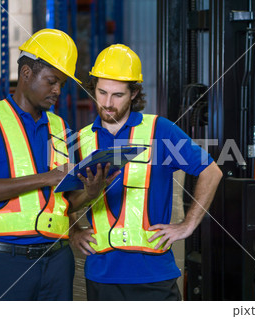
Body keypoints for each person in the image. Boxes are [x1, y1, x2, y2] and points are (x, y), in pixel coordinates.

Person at [0, 29, 117, 301]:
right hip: (4, 261)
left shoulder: (59, 127)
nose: (57, 90)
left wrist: (90, 193)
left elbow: (61, 202)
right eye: (52, 81)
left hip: (57, 262)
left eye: (61, 84)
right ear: (27, 73)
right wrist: (45, 178)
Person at [70, 44, 223, 301]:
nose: (107, 103)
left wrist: (188, 225)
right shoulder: (82, 139)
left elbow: (211, 171)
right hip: (102, 275)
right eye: (101, 92)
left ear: (134, 93)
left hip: (154, 276)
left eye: (117, 95)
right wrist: (73, 230)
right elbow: (66, 193)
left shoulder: (160, 130)